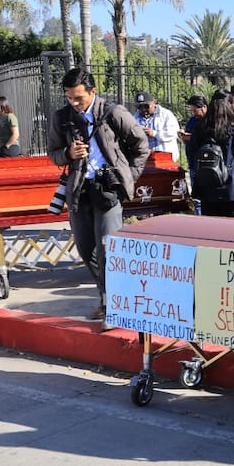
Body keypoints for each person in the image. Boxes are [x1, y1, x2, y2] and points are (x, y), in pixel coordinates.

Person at [45, 68, 150, 321]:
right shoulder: (62, 118)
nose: (74, 103)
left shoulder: (114, 113)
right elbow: (53, 153)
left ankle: (110, 305)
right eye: (69, 98)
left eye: (79, 98)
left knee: (108, 250)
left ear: (93, 92)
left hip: (108, 190)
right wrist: (68, 154)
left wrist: (128, 177)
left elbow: (141, 146)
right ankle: (109, 294)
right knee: (86, 249)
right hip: (80, 190)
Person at [186, 91, 234, 218]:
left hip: (206, 186)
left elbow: (192, 154)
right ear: (230, 106)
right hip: (232, 187)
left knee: (211, 230)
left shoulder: (200, 128)